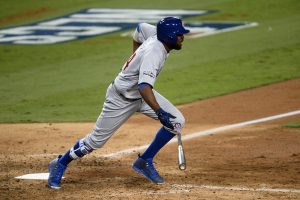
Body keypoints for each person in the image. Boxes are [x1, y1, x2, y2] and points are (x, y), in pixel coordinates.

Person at [48, 17, 190, 189]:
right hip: (120, 99)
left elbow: (139, 29)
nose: (183, 37)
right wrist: (159, 112)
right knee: (94, 142)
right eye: (179, 35)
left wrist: (135, 56)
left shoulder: (154, 33)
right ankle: (60, 163)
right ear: (169, 36)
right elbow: (144, 86)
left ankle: (144, 161)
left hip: (141, 95)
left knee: (176, 121)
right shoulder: (155, 53)